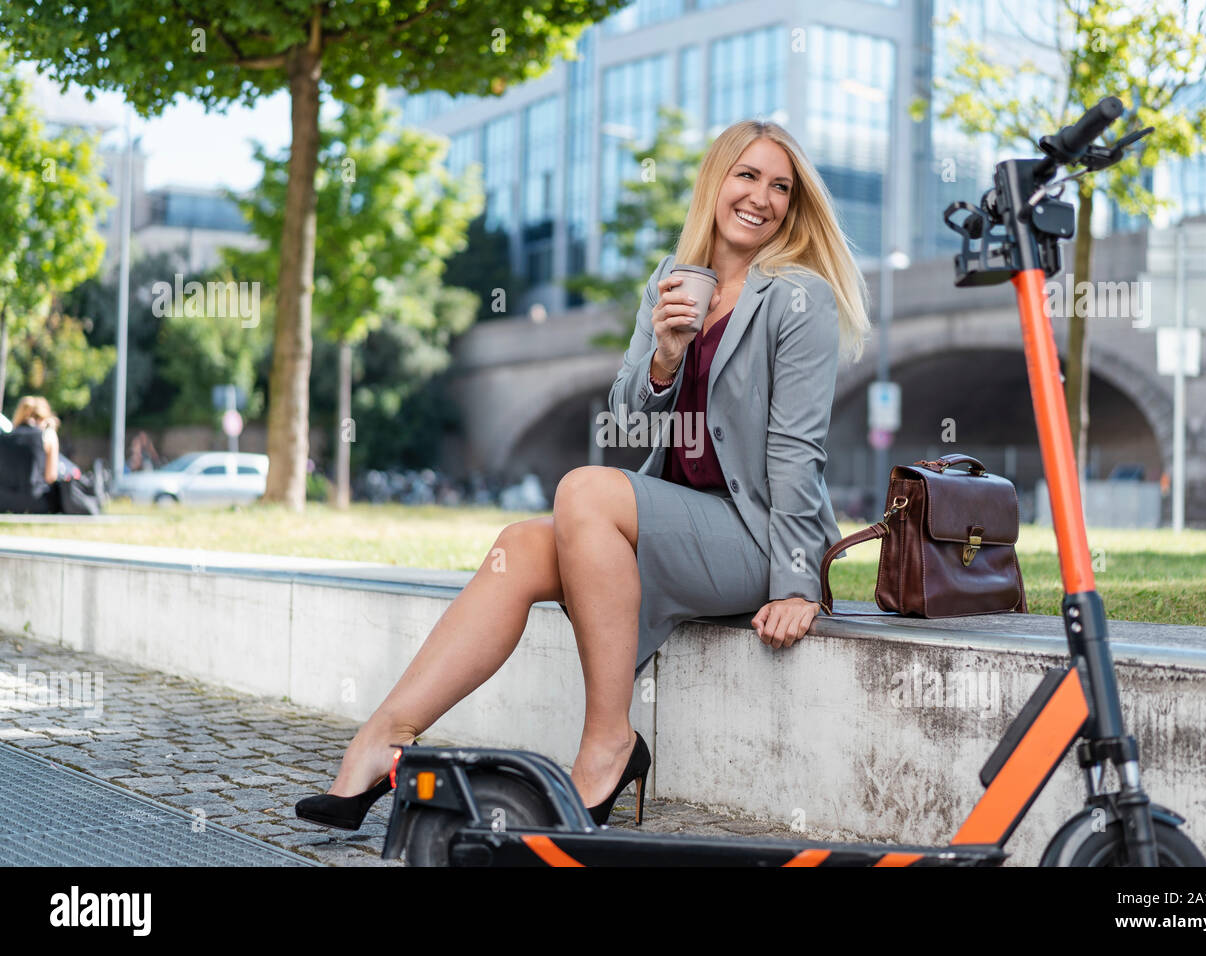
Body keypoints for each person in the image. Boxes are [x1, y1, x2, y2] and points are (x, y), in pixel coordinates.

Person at [294, 118, 870, 832]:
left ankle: (607, 743)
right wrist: (663, 353)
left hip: (756, 535)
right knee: (520, 544)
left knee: (582, 491)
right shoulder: (671, 280)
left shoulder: (798, 297)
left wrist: (794, 582)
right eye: (746, 176)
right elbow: (628, 426)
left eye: (781, 186)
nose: (762, 197)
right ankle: (383, 740)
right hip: (683, 524)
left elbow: (796, 450)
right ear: (714, 182)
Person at [0, 396, 62, 512]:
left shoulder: (4, 437)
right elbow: (51, 476)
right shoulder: (48, 436)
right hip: (36, 501)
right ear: (44, 418)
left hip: (4, 501)